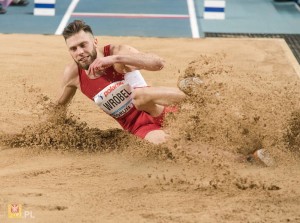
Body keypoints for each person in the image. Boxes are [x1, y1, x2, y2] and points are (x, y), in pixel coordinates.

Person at [56, 20, 192, 145]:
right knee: (172, 144)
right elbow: (59, 107)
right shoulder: (73, 75)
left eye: (83, 45)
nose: (79, 52)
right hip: (140, 127)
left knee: (138, 96)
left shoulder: (116, 52)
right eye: (73, 49)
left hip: (157, 108)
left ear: (95, 42)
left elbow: (158, 63)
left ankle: (200, 97)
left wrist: (115, 59)